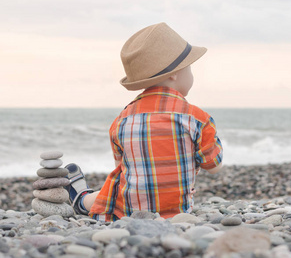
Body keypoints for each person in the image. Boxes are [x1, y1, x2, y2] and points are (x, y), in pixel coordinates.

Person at [64, 23, 223, 221]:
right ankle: (81, 199)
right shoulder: (197, 118)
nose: (192, 75)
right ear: (173, 74)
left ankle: (82, 201)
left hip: (128, 215)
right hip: (179, 214)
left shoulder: (121, 121)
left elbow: (121, 166)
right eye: (189, 68)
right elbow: (214, 166)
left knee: (115, 185)